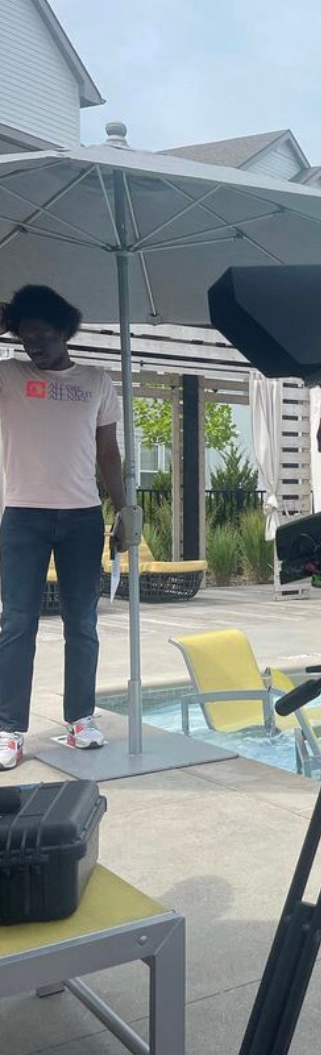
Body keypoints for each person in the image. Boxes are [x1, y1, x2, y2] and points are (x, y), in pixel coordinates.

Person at [0, 285, 128, 770]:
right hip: (23, 517)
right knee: (17, 624)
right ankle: (8, 728)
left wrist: (125, 510)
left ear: (65, 331)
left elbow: (108, 453)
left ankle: (79, 719)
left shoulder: (97, 381)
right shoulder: (8, 375)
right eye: (24, 334)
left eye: (42, 335)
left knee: (83, 623)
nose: (33, 344)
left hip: (81, 517)